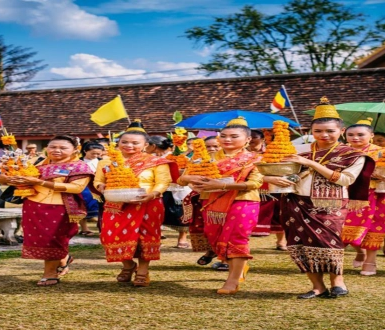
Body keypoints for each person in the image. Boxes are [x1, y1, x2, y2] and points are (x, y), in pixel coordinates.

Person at [266, 97, 374, 299]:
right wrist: (270, 176)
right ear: (310, 132)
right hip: (295, 201)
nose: (324, 135)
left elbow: (344, 179)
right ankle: (317, 286)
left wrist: (312, 164)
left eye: (330, 131)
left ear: (341, 132)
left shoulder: (353, 155)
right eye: (318, 131)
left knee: (329, 242)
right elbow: (275, 171)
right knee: (299, 243)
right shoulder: (300, 152)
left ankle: (337, 282)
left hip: (330, 203)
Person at [178, 117, 263, 295]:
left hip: (243, 200)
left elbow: (255, 183)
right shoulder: (204, 158)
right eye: (223, 136)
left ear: (247, 139)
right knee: (215, 238)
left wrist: (222, 185)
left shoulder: (255, 159)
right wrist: (193, 179)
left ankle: (232, 281)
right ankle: (238, 269)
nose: (227, 139)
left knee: (236, 238)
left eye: (233, 136)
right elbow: (182, 178)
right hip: (211, 201)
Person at [0, 135, 94, 286]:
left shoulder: (79, 167)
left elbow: (77, 188)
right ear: (46, 148)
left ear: (75, 150)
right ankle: (64, 259)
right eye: (53, 147)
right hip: (33, 205)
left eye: (63, 148)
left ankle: (50, 273)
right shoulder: (35, 163)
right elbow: (3, 178)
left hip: (61, 207)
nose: (57, 150)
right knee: (42, 240)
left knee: (54, 240)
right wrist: (8, 178)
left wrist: (39, 181)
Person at [94, 121, 178, 287]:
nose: (129, 145)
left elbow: (163, 181)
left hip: (147, 203)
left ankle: (143, 271)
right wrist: (100, 186)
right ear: (118, 143)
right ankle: (128, 265)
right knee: (110, 236)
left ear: (146, 145)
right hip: (116, 203)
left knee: (145, 237)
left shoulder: (155, 162)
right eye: (124, 142)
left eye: (135, 143)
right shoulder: (106, 161)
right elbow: (98, 180)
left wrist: (152, 194)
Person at [342, 119, 385, 275]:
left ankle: (371, 261)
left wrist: (381, 176)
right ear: (344, 135)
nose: (355, 138)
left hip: (378, 194)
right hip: (347, 193)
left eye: (360, 134)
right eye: (351, 135)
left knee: (375, 226)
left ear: (371, 135)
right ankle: (358, 252)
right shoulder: (340, 151)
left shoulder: (382, 153)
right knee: (343, 226)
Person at [146, 135, 190, 248]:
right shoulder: (147, 158)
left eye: (147, 144)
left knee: (181, 214)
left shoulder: (177, 157)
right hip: (158, 189)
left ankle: (182, 238)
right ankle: (156, 237)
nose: (145, 147)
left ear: (153, 146)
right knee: (157, 214)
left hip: (177, 189)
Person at [78, 142, 105, 236]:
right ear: (85, 151)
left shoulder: (103, 162)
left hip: (98, 187)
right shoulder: (77, 162)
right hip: (82, 187)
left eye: (98, 154)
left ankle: (102, 227)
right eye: (93, 153)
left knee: (101, 207)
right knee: (82, 206)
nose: (96, 155)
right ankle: (84, 228)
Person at [372, 133, 385, 257]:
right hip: (370, 191)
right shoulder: (367, 154)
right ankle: (366, 248)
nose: (377, 143)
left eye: (380, 140)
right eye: (374, 140)